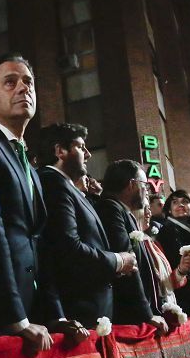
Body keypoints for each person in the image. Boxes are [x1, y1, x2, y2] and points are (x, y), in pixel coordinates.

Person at [0, 54, 59, 352]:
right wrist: (14, 317)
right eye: (10, 82)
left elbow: (38, 241)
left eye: (28, 82)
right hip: (2, 315)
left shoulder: (30, 166)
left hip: (33, 311)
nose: (24, 88)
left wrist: (55, 314)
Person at [37, 123, 135, 328]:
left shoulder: (67, 187)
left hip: (91, 312)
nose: (88, 154)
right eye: (81, 147)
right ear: (60, 151)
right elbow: (68, 248)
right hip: (77, 312)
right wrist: (118, 260)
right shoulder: (53, 183)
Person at [94, 160, 169, 334]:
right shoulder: (111, 209)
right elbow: (128, 265)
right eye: (145, 185)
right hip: (127, 316)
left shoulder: (122, 211)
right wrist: (146, 314)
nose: (147, 191)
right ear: (131, 185)